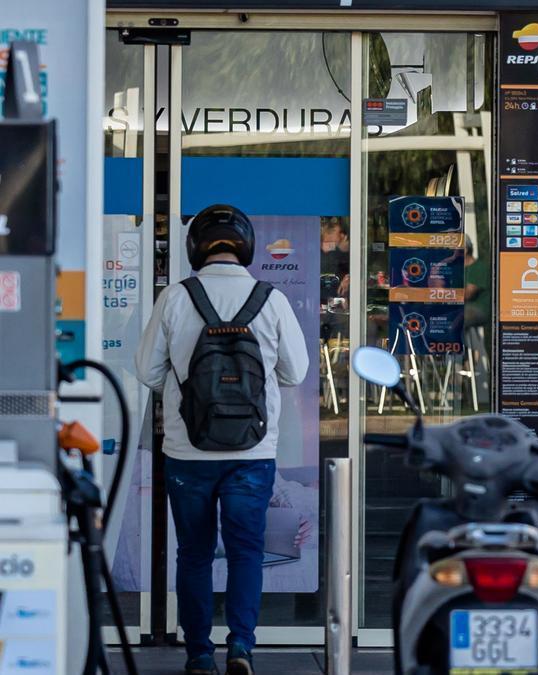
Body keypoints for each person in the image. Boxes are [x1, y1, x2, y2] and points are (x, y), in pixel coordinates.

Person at [136, 204, 309, 675]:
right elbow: (295, 371)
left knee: (193, 552)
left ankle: (197, 654)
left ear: (196, 247)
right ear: (246, 246)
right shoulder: (270, 299)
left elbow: (147, 371)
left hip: (187, 452)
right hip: (252, 453)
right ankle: (241, 648)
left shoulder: (175, 297)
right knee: (245, 551)